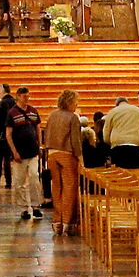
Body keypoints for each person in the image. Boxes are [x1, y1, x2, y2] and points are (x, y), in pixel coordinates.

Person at [41, 90, 83, 236]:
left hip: (52, 154)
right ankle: (67, 222)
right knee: (69, 189)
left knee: (56, 188)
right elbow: (76, 141)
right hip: (67, 154)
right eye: (75, 101)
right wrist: (80, 158)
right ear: (70, 102)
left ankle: (56, 221)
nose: (76, 104)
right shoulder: (73, 117)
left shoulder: (52, 115)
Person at [7, 88, 44, 220]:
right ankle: (23, 208)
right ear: (17, 96)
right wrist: (14, 151)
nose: (27, 98)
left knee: (34, 177)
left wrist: (39, 145)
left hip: (33, 151)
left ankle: (35, 206)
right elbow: (8, 134)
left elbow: (38, 128)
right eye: (24, 96)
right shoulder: (12, 113)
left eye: (28, 96)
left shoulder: (33, 111)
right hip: (19, 154)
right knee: (19, 181)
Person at [103, 93, 139, 168]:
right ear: (127, 102)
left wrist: (111, 144)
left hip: (118, 149)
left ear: (117, 104)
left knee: (119, 174)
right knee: (137, 173)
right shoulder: (138, 111)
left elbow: (106, 136)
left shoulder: (112, 112)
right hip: (136, 148)